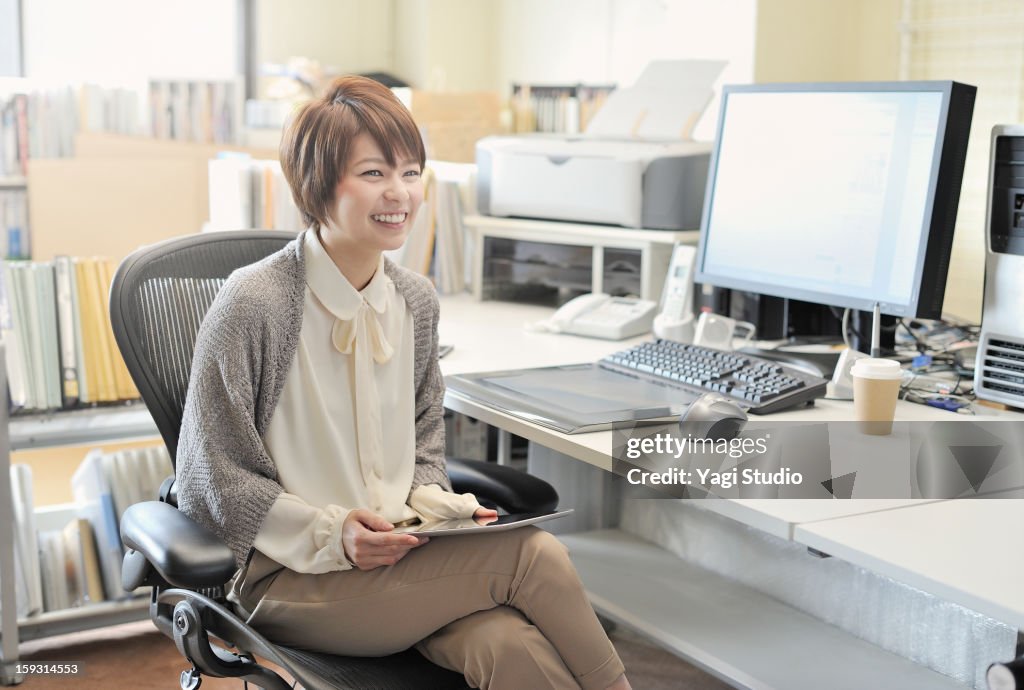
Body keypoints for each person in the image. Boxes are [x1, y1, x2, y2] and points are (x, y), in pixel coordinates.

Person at [176, 75, 631, 690]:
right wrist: (332, 533)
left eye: (411, 172)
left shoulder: (415, 300)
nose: (400, 193)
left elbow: (423, 445)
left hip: (403, 561)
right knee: (534, 555)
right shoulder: (255, 302)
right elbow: (210, 475)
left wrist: (441, 508)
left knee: (510, 645)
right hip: (292, 581)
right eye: (373, 174)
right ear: (318, 185)